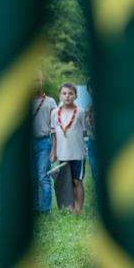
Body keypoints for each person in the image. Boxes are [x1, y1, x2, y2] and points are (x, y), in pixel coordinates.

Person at [49, 83, 89, 213]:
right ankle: (71, 208)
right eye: (64, 93)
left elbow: (85, 133)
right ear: (60, 95)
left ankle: (79, 209)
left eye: (70, 93)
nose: (67, 96)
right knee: (67, 182)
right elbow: (53, 133)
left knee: (77, 180)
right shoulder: (54, 113)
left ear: (76, 96)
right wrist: (54, 150)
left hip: (77, 153)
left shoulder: (81, 112)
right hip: (62, 153)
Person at [30, 77, 57, 214]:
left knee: (43, 176)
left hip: (44, 142)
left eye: (36, 80)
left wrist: (54, 149)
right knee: (32, 177)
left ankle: (46, 209)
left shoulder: (50, 101)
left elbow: (55, 127)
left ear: (41, 81)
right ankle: (34, 208)